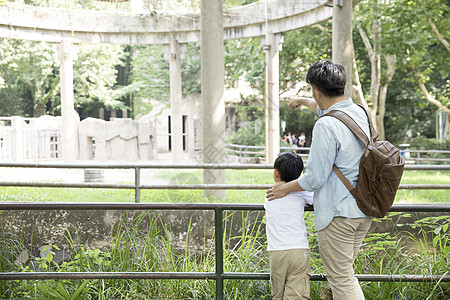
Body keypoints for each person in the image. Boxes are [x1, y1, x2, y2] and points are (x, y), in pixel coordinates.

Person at [266, 60, 372, 300]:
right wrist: (303, 101)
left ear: (316, 90)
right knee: (343, 274)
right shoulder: (357, 113)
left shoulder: (326, 125)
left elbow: (313, 177)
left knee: (342, 279)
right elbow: (323, 107)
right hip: (363, 208)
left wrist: (285, 189)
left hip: (339, 214)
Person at [264, 151, 313, 300]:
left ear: (276, 173)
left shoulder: (269, 195)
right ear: (299, 176)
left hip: (277, 251)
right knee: (297, 295)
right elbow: (316, 199)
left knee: (277, 295)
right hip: (298, 249)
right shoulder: (302, 193)